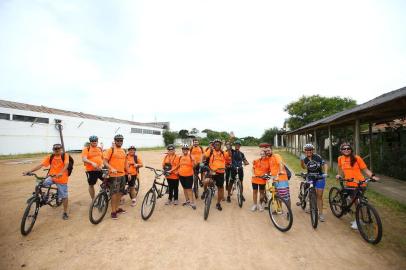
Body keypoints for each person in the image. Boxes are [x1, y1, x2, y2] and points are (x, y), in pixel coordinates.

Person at [336, 142, 379, 230]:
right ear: (341, 150)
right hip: (348, 183)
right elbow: (340, 169)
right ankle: (354, 215)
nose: (346, 150)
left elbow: (365, 169)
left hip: (360, 183)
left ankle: (359, 220)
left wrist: (372, 176)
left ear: (351, 150)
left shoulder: (357, 158)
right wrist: (339, 175)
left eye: (348, 148)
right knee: (350, 199)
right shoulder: (340, 158)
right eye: (344, 149)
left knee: (358, 202)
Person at [23, 144, 70, 220]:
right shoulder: (50, 157)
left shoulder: (65, 155)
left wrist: (61, 172)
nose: (57, 150)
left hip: (61, 178)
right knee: (40, 183)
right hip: (51, 177)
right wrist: (29, 171)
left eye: (58, 149)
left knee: (64, 196)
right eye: (55, 149)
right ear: (53, 150)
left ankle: (65, 212)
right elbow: (41, 165)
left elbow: (66, 164)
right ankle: (43, 196)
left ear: (61, 149)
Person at [300, 143, 328, 222]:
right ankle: (311, 206)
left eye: (310, 150)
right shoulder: (305, 158)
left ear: (312, 150)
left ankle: (321, 214)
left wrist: (325, 173)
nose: (308, 151)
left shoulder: (317, 157)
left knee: (319, 196)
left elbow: (325, 164)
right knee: (311, 192)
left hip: (319, 177)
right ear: (304, 151)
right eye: (306, 150)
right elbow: (304, 167)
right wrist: (302, 161)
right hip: (310, 177)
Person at [103, 134, 128, 220]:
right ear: (115, 141)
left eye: (121, 140)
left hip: (122, 175)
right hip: (113, 176)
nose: (119, 142)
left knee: (120, 193)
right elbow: (105, 162)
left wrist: (128, 173)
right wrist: (111, 168)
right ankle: (113, 211)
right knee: (114, 194)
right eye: (118, 140)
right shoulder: (111, 150)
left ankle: (117, 209)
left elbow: (125, 163)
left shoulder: (124, 151)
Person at [203, 139, 226, 211]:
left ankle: (218, 203)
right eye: (215, 144)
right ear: (213, 145)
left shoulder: (223, 153)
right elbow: (204, 155)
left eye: (218, 144)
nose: (217, 145)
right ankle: (205, 192)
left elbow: (228, 158)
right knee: (206, 181)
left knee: (220, 188)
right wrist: (202, 162)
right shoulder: (211, 151)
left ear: (220, 145)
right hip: (211, 171)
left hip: (220, 172)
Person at [82, 135, 104, 200]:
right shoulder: (86, 149)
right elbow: (84, 159)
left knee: (107, 181)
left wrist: (102, 164)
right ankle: (93, 199)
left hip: (100, 169)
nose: (94, 142)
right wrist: (92, 163)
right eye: (92, 141)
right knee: (91, 185)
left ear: (97, 141)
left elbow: (102, 158)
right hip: (91, 170)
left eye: (95, 141)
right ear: (90, 142)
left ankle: (105, 192)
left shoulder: (99, 149)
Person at [178, 144, 196, 209]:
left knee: (189, 189)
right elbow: (178, 165)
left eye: (186, 149)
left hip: (189, 175)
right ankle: (187, 201)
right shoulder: (180, 157)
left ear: (188, 150)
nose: (185, 150)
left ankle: (192, 202)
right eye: (183, 149)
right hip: (181, 175)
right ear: (182, 150)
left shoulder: (191, 156)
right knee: (185, 188)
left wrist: (193, 160)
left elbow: (194, 166)